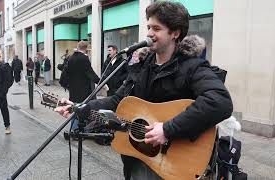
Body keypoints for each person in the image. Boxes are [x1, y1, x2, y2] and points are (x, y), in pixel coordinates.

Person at [55, 1, 233, 180]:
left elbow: (220, 101)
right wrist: (80, 107)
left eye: (156, 28)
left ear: (175, 33)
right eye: (148, 27)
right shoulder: (142, 67)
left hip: (175, 163)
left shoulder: (193, 67)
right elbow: (117, 101)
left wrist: (168, 129)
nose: (149, 33)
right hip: (140, 158)